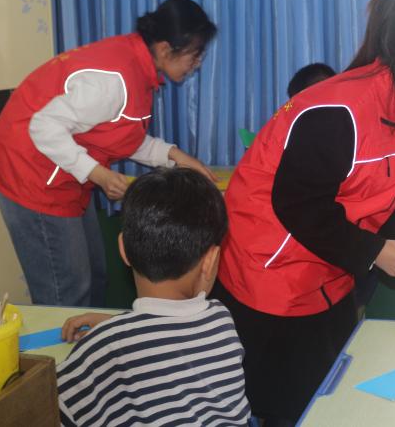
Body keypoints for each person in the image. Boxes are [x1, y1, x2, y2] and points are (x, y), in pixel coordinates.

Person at [213, 0, 395, 425]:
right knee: (289, 410)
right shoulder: (337, 112)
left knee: (331, 401)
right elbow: (300, 206)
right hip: (270, 278)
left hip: (328, 269)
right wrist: (376, 251)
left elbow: (393, 187)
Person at [0, 0, 218, 306]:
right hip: (29, 174)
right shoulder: (113, 80)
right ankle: (64, 339)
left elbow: (119, 133)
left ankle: (88, 335)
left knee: (95, 274)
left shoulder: (137, 64)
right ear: (165, 48)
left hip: (64, 171)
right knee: (66, 290)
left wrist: (176, 156)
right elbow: (44, 127)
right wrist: (99, 174)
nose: (197, 64)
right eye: (195, 55)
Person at [56, 168, 250, 427]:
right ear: (211, 260)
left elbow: (45, 404)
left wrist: (113, 330)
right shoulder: (221, 320)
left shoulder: (104, 347)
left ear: (123, 249)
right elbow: (169, 338)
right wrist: (116, 325)